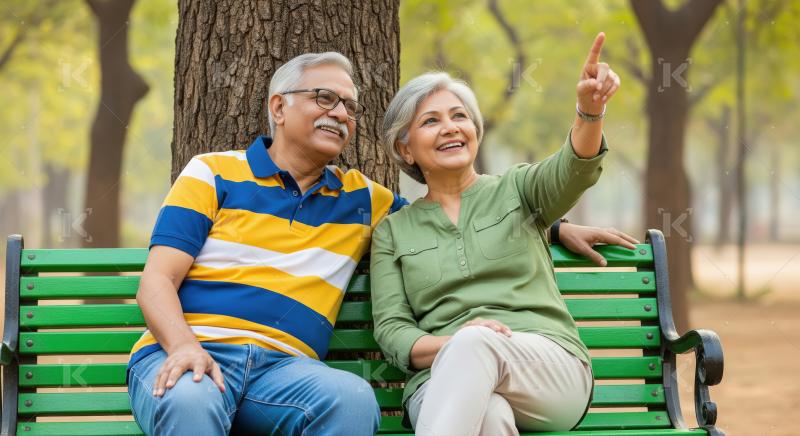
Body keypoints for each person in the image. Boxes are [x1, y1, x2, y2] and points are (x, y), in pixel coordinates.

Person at [127, 49, 632, 436]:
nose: (340, 112)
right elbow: (156, 282)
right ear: (278, 107)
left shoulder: (364, 202)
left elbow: (468, 212)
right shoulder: (213, 172)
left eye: (348, 105)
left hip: (285, 372)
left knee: (352, 401)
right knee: (190, 398)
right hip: (192, 352)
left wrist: (554, 224)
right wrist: (183, 347)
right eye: (324, 98)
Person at [371, 33, 622, 435]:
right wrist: (454, 343)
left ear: (475, 129)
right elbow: (393, 331)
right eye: (431, 121)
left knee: (476, 347)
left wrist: (589, 113)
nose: (450, 128)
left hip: (546, 369)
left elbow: (573, 171)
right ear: (405, 149)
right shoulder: (393, 232)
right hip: (437, 382)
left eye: (459, 116)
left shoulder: (518, 190)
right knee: (489, 415)